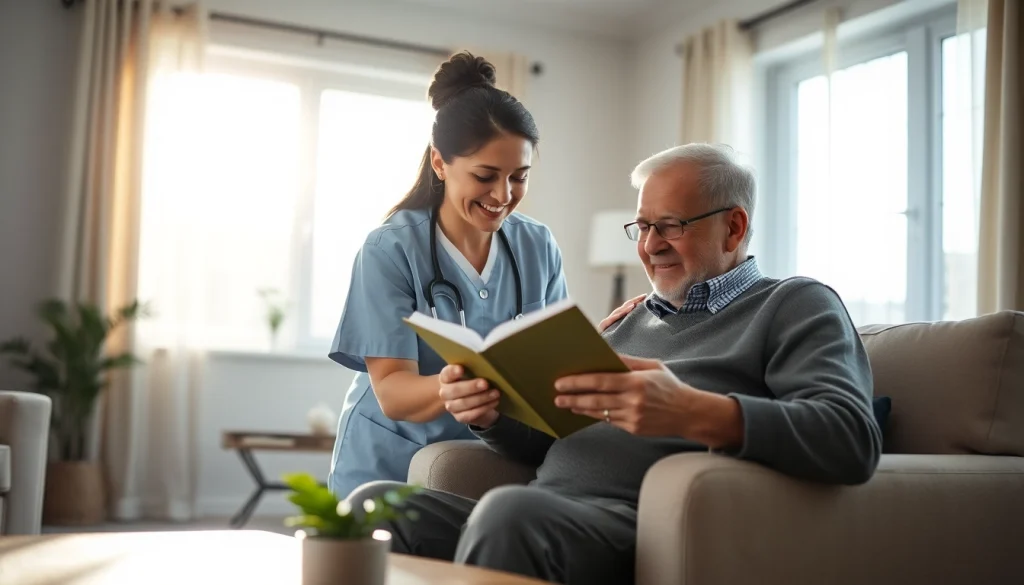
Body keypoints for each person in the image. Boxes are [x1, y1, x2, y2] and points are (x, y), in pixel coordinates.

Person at [345, 143, 884, 584]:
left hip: (644, 526)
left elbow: (850, 437)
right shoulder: (627, 322)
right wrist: (490, 414)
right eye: (642, 227)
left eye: (669, 226)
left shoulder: (794, 305)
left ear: (735, 228)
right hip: (544, 511)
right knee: (374, 509)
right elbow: (546, 441)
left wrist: (695, 412)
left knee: (510, 513)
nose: (649, 246)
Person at [327, 51, 585, 498]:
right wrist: (455, 388)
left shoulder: (537, 246)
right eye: (486, 176)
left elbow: (550, 370)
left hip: (481, 465)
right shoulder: (390, 249)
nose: (503, 195)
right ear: (440, 163)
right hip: (388, 462)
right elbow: (392, 390)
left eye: (519, 177)